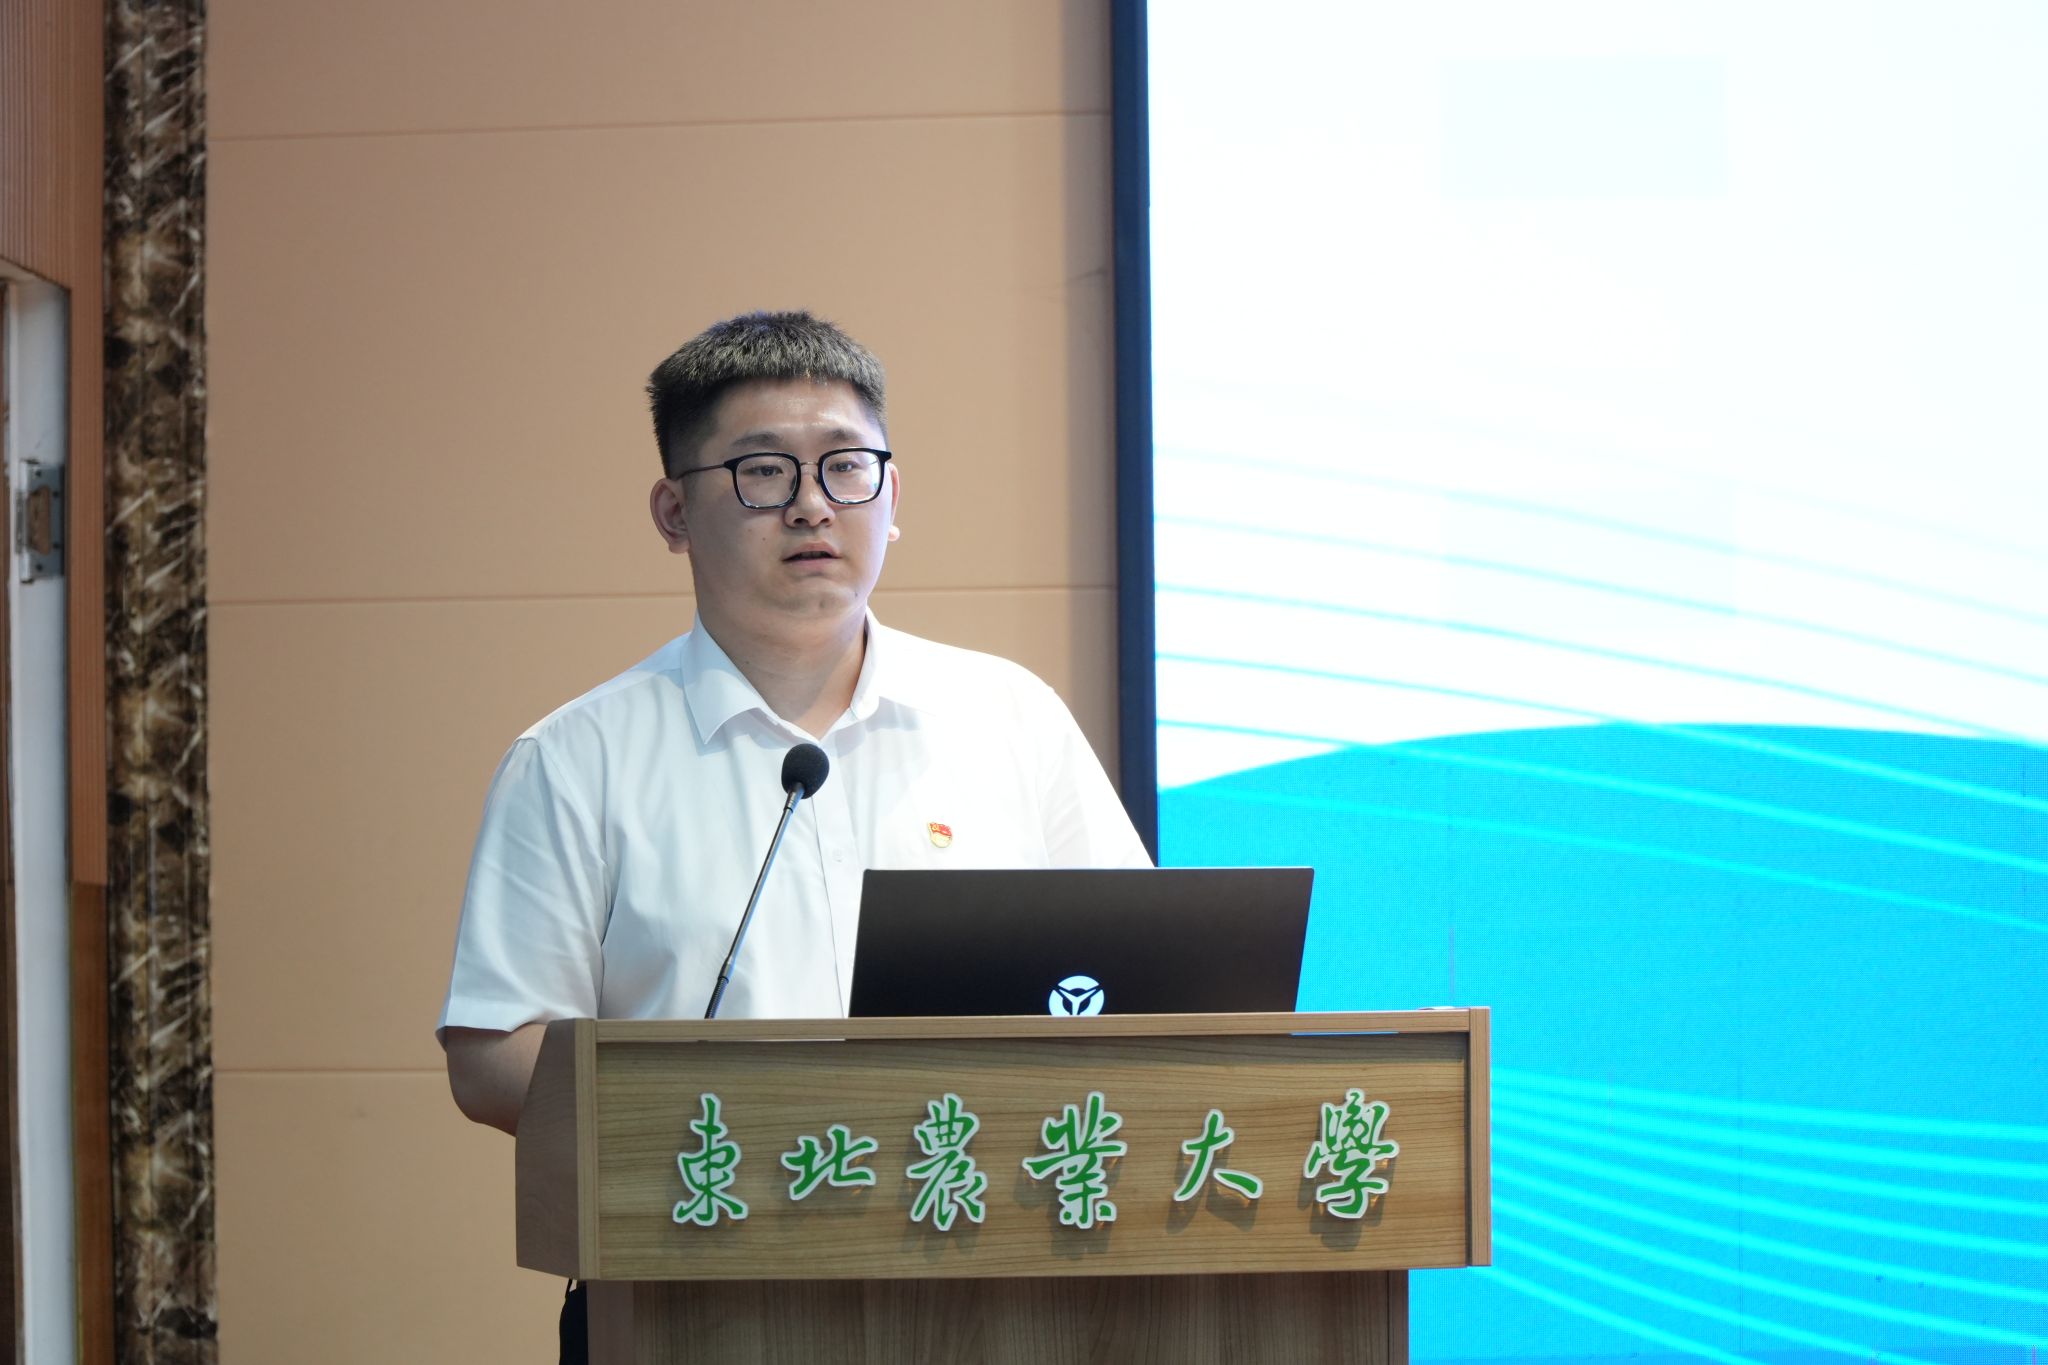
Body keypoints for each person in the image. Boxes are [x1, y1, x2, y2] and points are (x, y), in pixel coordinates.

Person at [438, 310, 1149, 1136]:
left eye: (847, 467)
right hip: (709, 1207)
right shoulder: (574, 760)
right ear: (674, 513)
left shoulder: (1011, 717)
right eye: (765, 471)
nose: (813, 506)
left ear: (891, 497)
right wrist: (745, 1122)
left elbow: (1140, 978)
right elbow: (495, 1055)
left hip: (973, 1196)